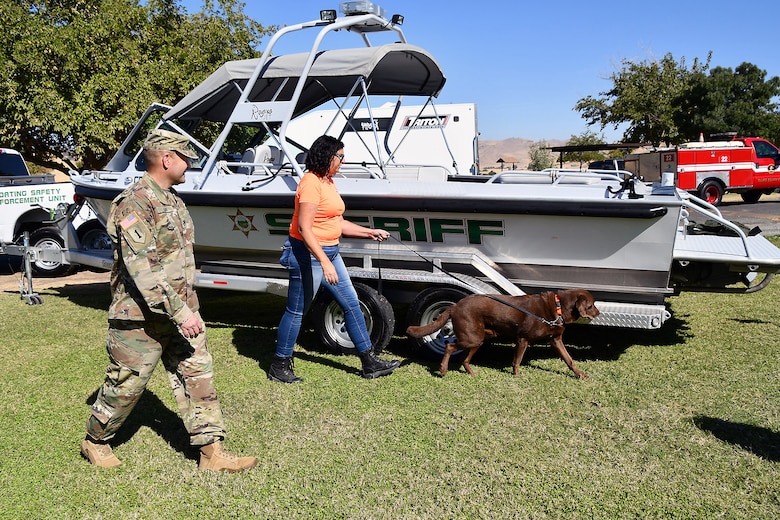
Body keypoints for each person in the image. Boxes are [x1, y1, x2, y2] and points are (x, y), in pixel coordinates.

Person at [80, 129, 257, 472]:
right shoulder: (134, 203)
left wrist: (188, 305)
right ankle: (95, 441)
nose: (189, 162)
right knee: (127, 384)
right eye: (185, 157)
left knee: (197, 376)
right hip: (139, 317)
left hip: (181, 310)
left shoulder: (172, 200)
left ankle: (212, 453)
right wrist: (181, 311)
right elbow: (143, 268)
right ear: (166, 159)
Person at [270, 135, 400, 383]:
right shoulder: (310, 183)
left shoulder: (328, 182)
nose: (343, 160)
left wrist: (368, 232)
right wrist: (325, 262)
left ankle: (369, 362)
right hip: (307, 255)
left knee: (351, 304)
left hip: (330, 252)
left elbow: (337, 222)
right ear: (325, 155)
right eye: (339, 156)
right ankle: (279, 365)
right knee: (297, 311)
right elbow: (305, 228)